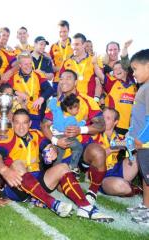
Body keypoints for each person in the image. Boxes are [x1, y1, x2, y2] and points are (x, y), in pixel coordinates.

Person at [0, 109, 113, 221]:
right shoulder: (8, 137)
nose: (21, 127)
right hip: (17, 187)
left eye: (24, 123)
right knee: (18, 164)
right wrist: (5, 171)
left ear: (30, 124)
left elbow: (48, 145)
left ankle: (85, 207)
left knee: (64, 167)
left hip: (37, 182)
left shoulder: (36, 134)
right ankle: (53, 203)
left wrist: (51, 150)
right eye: (17, 123)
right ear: (12, 124)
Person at [42, 69, 108, 205]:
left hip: (81, 146)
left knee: (99, 152)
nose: (64, 81)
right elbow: (44, 126)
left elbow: (101, 124)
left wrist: (80, 130)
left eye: (68, 78)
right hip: (62, 147)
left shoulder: (86, 100)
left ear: (76, 82)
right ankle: (73, 170)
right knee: (60, 187)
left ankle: (92, 191)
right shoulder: (54, 102)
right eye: (61, 78)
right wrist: (56, 141)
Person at [127, 49, 149, 225]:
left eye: (135, 69)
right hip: (142, 143)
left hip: (146, 143)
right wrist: (131, 134)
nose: (133, 73)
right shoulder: (144, 87)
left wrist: (141, 138)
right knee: (145, 176)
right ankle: (145, 205)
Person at [99, 108, 140, 197]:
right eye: (103, 117)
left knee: (138, 155)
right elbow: (95, 158)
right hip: (101, 174)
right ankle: (132, 189)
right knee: (122, 186)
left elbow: (129, 149)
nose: (104, 120)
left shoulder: (118, 136)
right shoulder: (95, 135)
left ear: (115, 122)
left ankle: (127, 184)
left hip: (115, 168)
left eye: (108, 118)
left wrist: (132, 148)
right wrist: (111, 149)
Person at [8, 52, 55, 129]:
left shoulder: (38, 75)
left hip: (34, 113)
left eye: (30, 63)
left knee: (35, 137)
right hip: (19, 113)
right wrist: (16, 92)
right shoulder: (13, 76)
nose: (29, 66)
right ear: (20, 65)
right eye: (25, 64)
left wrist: (41, 99)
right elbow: (4, 88)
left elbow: (50, 89)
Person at [93, 59, 137, 135]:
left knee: (127, 146)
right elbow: (100, 75)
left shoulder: (134, 86)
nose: (117, 70)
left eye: (120, 68)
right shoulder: (111, 82)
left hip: (130, 127)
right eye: (115, 69)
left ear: (126, 71)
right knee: (114, 145)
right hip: (114, 126)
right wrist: (94, 63)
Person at [48, 94, 85, 171]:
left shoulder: (57, 110)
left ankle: (53, 171)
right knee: (78, 148)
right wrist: (84, 120)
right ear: (69, 108)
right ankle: (73, 166)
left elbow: (50, 104)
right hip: (66, 137)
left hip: (56, 137)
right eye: (77, 108)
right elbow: (78, 126)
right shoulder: (72, 119)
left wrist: (56, 97)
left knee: (58, 156)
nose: (78, 110)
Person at [60, 33, 100, 99]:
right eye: (72, 45)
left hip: (88, 102)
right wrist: (60, 98)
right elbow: (60, 83)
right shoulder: (66, 62)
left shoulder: (94, 60)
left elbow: (99, 82)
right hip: (70, 104)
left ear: (84, 45)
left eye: (77, 44)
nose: (74, 47)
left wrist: (96, 99)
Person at [49, 20, 73, 87]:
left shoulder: (74, 45)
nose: (62, 34)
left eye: (64, 31)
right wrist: (60, 68)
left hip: (71, 81)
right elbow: (49, 66)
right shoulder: (53, 47)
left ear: (68, 31)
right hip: (57, 81)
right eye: (60, 32)